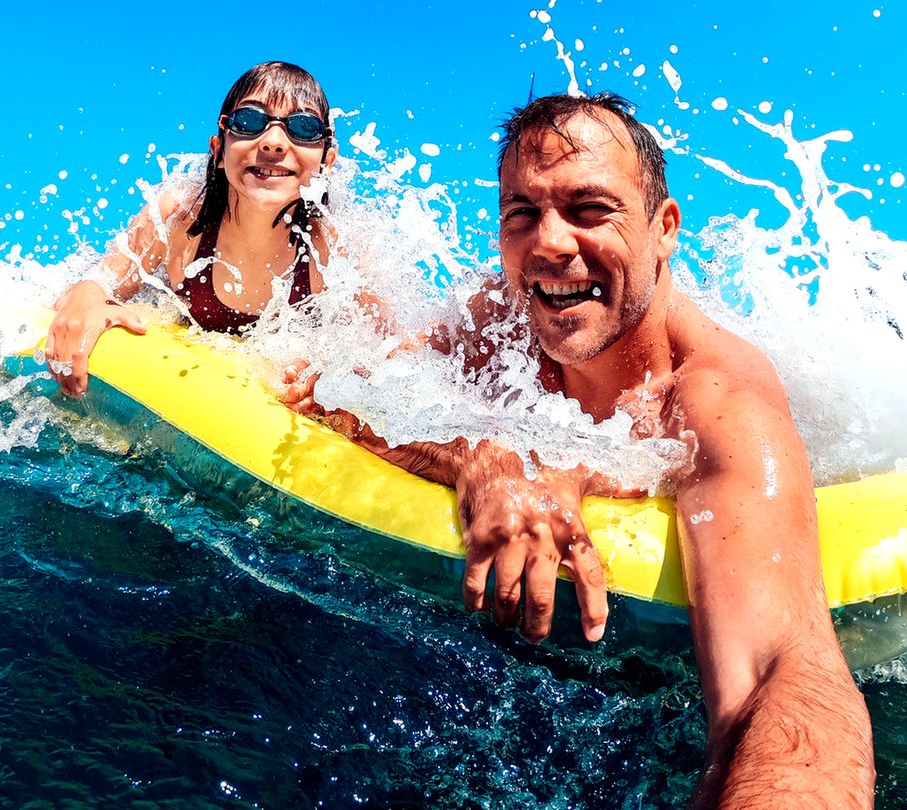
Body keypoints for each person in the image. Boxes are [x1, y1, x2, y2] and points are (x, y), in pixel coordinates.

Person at [291, 93, 875, 807]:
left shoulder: (717, 400)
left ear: (663, 230)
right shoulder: (500, 314)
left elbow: (783, 673)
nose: (550, 243)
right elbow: (344, 390)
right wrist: (482, 459)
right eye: (522, 214)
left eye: (589, 208)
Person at [44, 61, 338, 396]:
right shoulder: (177, 218)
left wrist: (327, 377)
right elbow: (96, 283)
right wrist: (85, 299)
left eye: (302, 127)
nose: (273, 142)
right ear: (219, 151)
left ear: (327, 161)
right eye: (249, 121)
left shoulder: (336, 248)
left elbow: (392, 359)